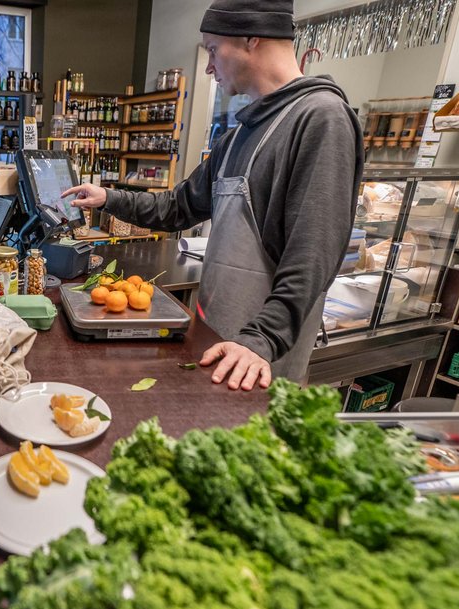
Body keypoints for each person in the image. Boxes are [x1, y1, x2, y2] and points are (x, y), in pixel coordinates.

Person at [63, 0, 363, 392]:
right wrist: (109, 197)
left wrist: (261, 340)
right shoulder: (238, 136)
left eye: (213, 49)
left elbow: (313, 253)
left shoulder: (321, 118)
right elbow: (177, 207)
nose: (208, 67)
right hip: (218, 341)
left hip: (259, 360)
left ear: (251, 38)